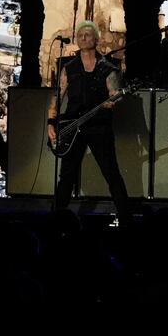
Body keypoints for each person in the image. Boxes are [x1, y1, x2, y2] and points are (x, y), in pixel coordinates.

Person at [48, 20, 130, 223]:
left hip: (99, 126)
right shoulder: (69, 67)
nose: (83, 38)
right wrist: (51, 122)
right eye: (80, 35)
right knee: (66, 176)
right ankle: (57, 219)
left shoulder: (108, 68)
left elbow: (114, 94)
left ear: (96, 39)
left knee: (111, 172)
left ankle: (126, 219)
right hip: (73, 125)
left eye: (88, 35)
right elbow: (57, 96)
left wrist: (114, 100)